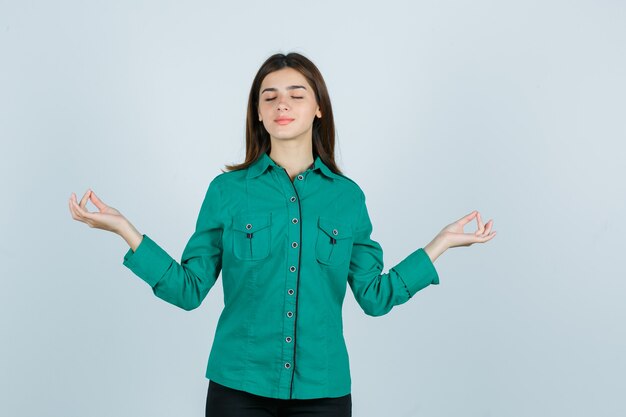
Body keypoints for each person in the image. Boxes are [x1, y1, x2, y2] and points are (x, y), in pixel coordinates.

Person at [69, 52, 496, 417]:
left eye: (297, 94)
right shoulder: (227, 192)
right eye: (269, 97)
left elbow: (375, 296)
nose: (282, 105)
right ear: (257, 111)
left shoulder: (347, 199)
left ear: (318, 108)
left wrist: (439, 245)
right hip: (237, 389)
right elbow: (189, 289)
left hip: (323, 393)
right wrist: (125, 230)